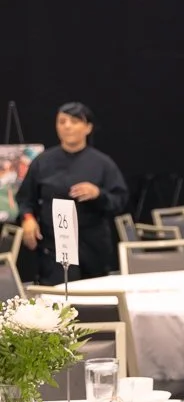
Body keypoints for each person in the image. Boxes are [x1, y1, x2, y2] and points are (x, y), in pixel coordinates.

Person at [15, 102, 127, 284]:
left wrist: (98, 193)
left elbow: (120, 200)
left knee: (93, 296)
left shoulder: (102, 164)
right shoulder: (42, 162)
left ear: (88, 127)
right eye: (62, 121)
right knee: (57, 296)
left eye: (74, 121)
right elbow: (25, 198)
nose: (67, 126)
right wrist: (27, 219)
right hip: (53, 247)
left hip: (93, 247)